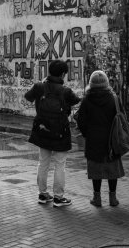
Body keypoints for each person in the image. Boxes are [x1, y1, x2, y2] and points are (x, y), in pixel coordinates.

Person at [24, 59, 80, 207]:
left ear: (49, 72)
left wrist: (41, 85)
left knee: (43, 162)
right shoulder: (66, 91)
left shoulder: (39, 86)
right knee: (60, 164)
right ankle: (58, 197)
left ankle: (42, 194)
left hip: (42, 129)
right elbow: (76, 101)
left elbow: (27, 97)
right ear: (63, 74)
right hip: (60, 131)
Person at [76, 70, 125, 207]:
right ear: (106, 83)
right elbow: (121, 116)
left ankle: (96, 198)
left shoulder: (86, 99)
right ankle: (112, 198)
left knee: (96, 169)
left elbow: (81, 120)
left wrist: (87, 133)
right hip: (112, 139)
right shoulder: (114, 98)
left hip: (93, 139)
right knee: (112, 168)